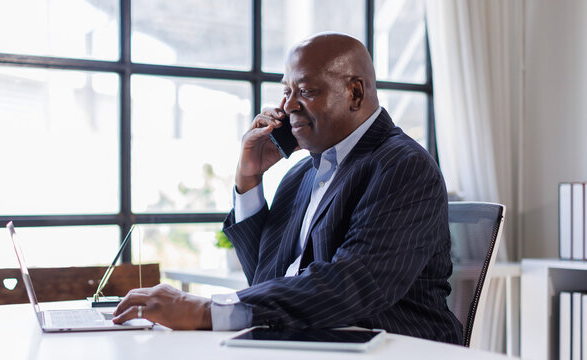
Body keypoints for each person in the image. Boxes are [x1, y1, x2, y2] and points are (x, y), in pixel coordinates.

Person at [113, 32, 463, 344]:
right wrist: (249, 181)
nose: (288, 106)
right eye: (286, 91)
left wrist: (206, 311)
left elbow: (353, 286)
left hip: (396, 348)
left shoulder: (402, 166)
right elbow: (267, 278)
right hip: (306, 342)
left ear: (355, 93)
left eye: (306, 91)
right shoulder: (301, 176)